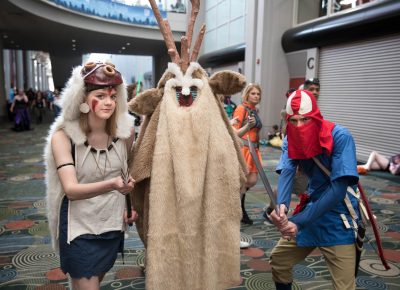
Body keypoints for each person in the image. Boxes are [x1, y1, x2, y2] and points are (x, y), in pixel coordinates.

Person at [44, 61, 137, 290]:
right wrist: (113, 185)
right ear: (82, 99)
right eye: (101, 95)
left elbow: (126, 172)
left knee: (91, 281)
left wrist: (129, 205)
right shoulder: (63, 137)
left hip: (111, 224)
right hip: (79, 229)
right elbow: (71, 190)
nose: (109, 102)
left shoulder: (125, 132)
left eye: (113, 96)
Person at [269, 89, 360, 290]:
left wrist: (298, 222)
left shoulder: (340, 136)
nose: (299, 126)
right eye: (293, 121)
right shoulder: (291, 137)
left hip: (338, 218)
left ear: (315, 117)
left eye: (304, 120)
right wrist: (282, 206)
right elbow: (287, 171)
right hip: (310, 211)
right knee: (279, 260)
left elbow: (338, 189)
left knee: (344, 286)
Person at [232, 83, 263, 225]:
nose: (256, 96)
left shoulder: (254, 110)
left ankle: (238, 209)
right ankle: (238, 211)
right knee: (243, 182)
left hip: (254, 149)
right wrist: (248, 126)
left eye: (258, 94)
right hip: (244, 149)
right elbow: (234, 131)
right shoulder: (241, 109)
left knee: (250, 181)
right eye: (253, 93)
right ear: (247, 94)